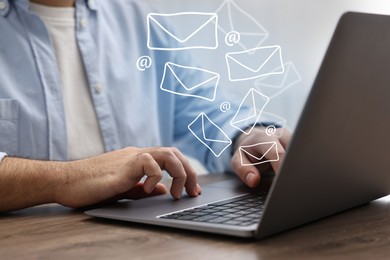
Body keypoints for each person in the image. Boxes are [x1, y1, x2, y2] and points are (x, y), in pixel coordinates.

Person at [0, 0, 291, 213]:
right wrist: (68, 178)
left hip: (141, 243)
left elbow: (203, 109)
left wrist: (247, 136)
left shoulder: (137, 15)